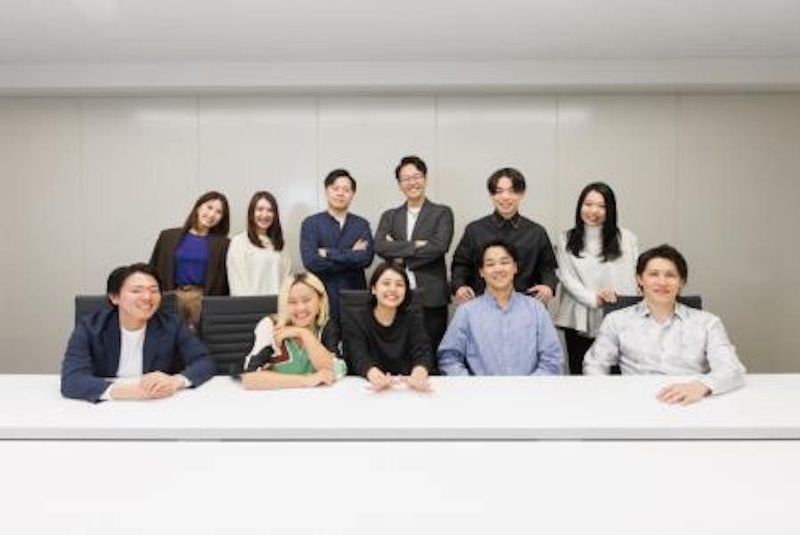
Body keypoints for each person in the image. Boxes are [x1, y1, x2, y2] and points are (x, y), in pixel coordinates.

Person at [584, 244, 746, 404]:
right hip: (636, 402)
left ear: (681, 281)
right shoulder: (616, 321)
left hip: (690, 402)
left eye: (670, 275)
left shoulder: (708, 323)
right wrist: (608, 398)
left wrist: (701, 386)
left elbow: (732, 369)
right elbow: (594, 365)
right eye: (654, 274)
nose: (662, 282)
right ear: (640, 279)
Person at [61, 263, 216, 403]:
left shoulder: (172, 325)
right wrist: (130, 392)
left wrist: (175, 381)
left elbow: (204, 362)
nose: (147, 297)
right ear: (114, 297)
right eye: (136, 291)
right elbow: (72, 380)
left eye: (154, 290)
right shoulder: (91, 327)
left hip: (159, 403)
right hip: (107, 405)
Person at [438, 239, 563, 376]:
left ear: (515, 267)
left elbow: (552, 359)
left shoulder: (536, 309)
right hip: (480, 389)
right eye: (490, 264)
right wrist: (472, 384)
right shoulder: (467, 312)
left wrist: (529, 386)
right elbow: (449, 357)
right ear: (481, 272)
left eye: (504, 262)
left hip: (530, 388)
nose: (498, 269)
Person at [554, 182, 639, 375]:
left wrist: (617, 300)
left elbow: (634, 275)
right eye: (588, 204)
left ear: (611, 210)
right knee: (580, 374)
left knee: (618, 375)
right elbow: (565, 276)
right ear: (580, 206)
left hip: (616, 313)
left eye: (601, 206)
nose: (593, 210)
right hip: (578, 317)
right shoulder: (566, 238)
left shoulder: (627, 238)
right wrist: (594, 298)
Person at [374, 155, 454, 355]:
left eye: (416, 177)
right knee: (399, 353)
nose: (412, 182)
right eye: (406, 179)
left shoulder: (442, 213)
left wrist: (399, 253)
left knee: (431, 353)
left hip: (432, 296)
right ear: (400, 184)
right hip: (396, 296)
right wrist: (416, 245)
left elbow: (439, 247)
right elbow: (380, 246)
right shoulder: (389, 216)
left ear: (425, 179)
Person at [451, 167, 557, 305]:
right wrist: (459, 286)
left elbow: (548, 268)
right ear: (491, 195)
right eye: (499, 191)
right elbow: (460, 265)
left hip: (526, 305)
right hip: (482, 305)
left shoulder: (536, 232)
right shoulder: (474, 230)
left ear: (522, 194)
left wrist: (548, 286)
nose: (505, 197)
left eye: (512, 191)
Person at [240, 273, 345, 390]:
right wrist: (306, 380)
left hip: (316, 398)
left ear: (320, 301)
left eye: (306, 300)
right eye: (292, 302)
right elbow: (249, 378)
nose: (300, 308)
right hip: (276, 398)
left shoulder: (326, 327)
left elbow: (336, 372)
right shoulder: (269, 326)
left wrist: (304, 334)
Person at [342, 263, 433, 392]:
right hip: (369, 388)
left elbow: (423, 352)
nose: (393, 289)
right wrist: (374, 375)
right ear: (373, 289)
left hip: (406, 387)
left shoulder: (413, 318)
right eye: (386, 283)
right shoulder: (356, 319)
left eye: (399, 285)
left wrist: (419, 374)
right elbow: (358, 356)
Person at [300, 169, 374, 321]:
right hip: (321, 298)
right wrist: (351, 255)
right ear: (327, 191)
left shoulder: (361, 224)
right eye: (335, 188)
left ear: (352, 194)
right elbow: (311, 262)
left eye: (346, 190)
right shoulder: (311, 224)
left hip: (355, 299)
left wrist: (328, 253)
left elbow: (366, 259)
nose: (340, 193)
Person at [150, 191, 231, 329]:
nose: (212, 214)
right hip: (172, 296)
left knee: (199, 339)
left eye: (219, 212)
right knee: (169, 336)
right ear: (198, 207)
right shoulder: (167, 237)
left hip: (201, 299)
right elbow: (153, 269)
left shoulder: (223, 245)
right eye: (209, 207)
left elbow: (226, 281)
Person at [227, 191, 291, 296]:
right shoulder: (239, 242)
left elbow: (285, 281)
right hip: (251, 304)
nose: (265, 215)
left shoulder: (280, 244)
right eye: (260, 209)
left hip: (277, 304)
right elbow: (237, 283)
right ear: (252, 213)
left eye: (270, 210)